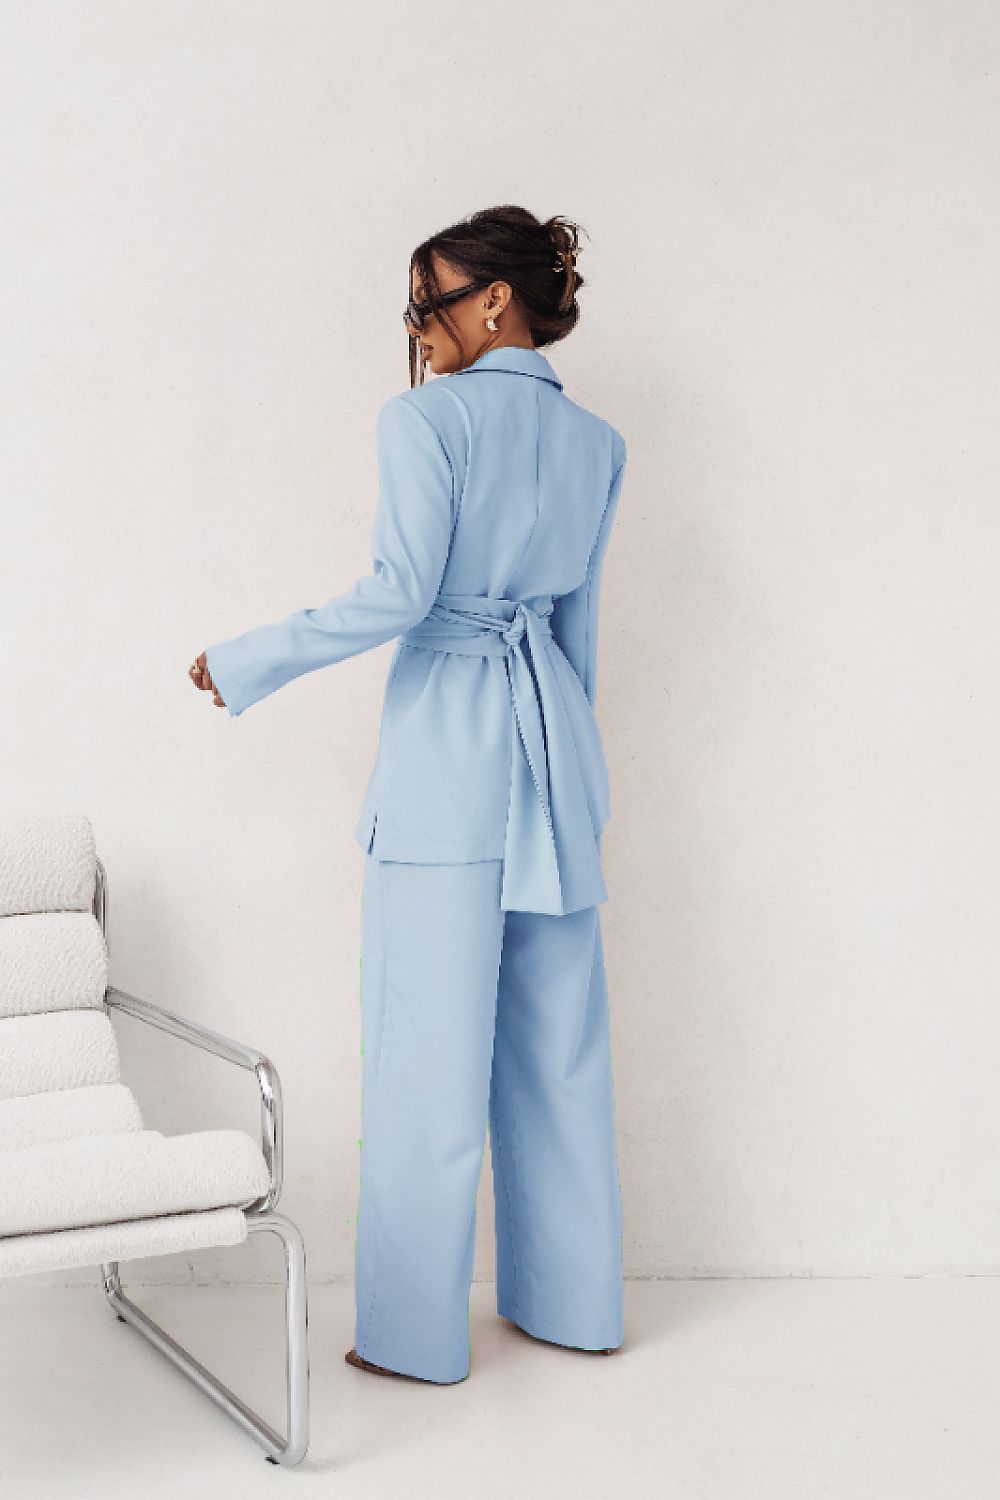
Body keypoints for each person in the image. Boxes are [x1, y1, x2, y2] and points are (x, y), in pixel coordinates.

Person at [189, 205, 628, 1385]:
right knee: (559, 1048)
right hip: (555, 760)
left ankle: (413, 1337)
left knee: (425, 1052)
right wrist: (578, 785)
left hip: (451, 755)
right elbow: (576, 634)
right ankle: (576, 1307)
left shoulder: (424, 422)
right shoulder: (597, 443)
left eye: (429, 302)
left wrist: (246, 659)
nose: (417, 329)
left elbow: (397, 594)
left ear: (496, 301)